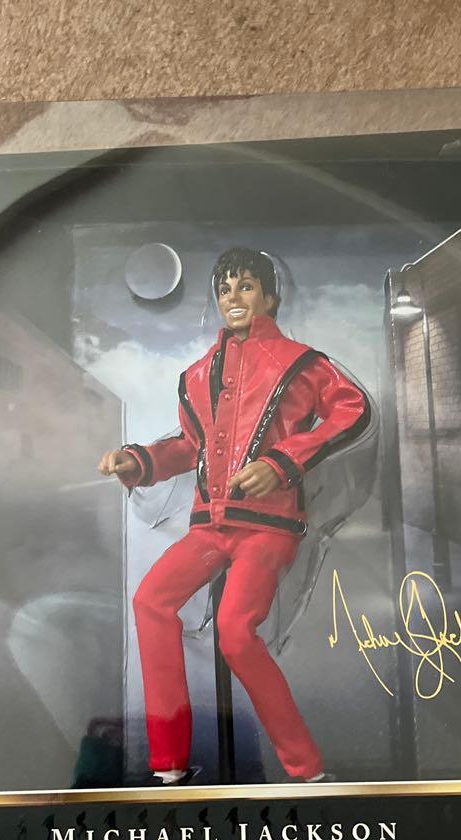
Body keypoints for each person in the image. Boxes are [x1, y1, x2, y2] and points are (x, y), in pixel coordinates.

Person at [98, 247, 372, 785]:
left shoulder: (300, 363)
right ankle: (168, 763)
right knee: (151, 601)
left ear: (270, 295)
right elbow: (189, 446)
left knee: (235, 632)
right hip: (210, 527)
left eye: (246, 286)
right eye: (224, 290)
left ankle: (306, 767)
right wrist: (140, 461)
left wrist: (283, 462)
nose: (234, 298)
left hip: (267, 527)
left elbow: (352, 409)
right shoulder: (198, 374)